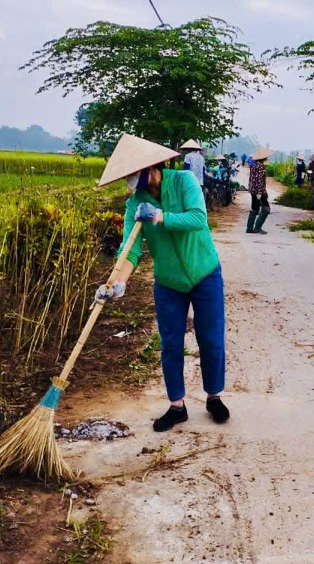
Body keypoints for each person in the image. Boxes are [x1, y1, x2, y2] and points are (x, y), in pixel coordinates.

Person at [94, 134, 230, 431]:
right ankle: (177, 406)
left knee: (211, 338)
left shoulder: (184, 182)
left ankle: (214, 397)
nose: (140, 187)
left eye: (140, 178)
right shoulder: (135, 205)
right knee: (170, 343)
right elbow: (128, 249)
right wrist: (118, 282)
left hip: (205, 272)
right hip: (168, 282)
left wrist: (161, 217)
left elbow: (198, 218)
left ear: (154, 168)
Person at [246, 145, 273, 234]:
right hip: (259, 191)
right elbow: (259, 181)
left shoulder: (253, 165)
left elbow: (253, 180)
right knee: (266, 209)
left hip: (253, 190)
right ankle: (257, 227)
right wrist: (261, 193)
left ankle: (249, 228)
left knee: (254, 208)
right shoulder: (260, 167)